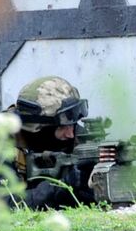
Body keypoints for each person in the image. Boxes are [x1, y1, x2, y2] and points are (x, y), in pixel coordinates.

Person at [7, 76, 95, 209]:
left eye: (73, 125)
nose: (70, 134)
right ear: (37, 129)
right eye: (61, 127)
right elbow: (2, 206)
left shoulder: (74, 134)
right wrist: (61, 188)